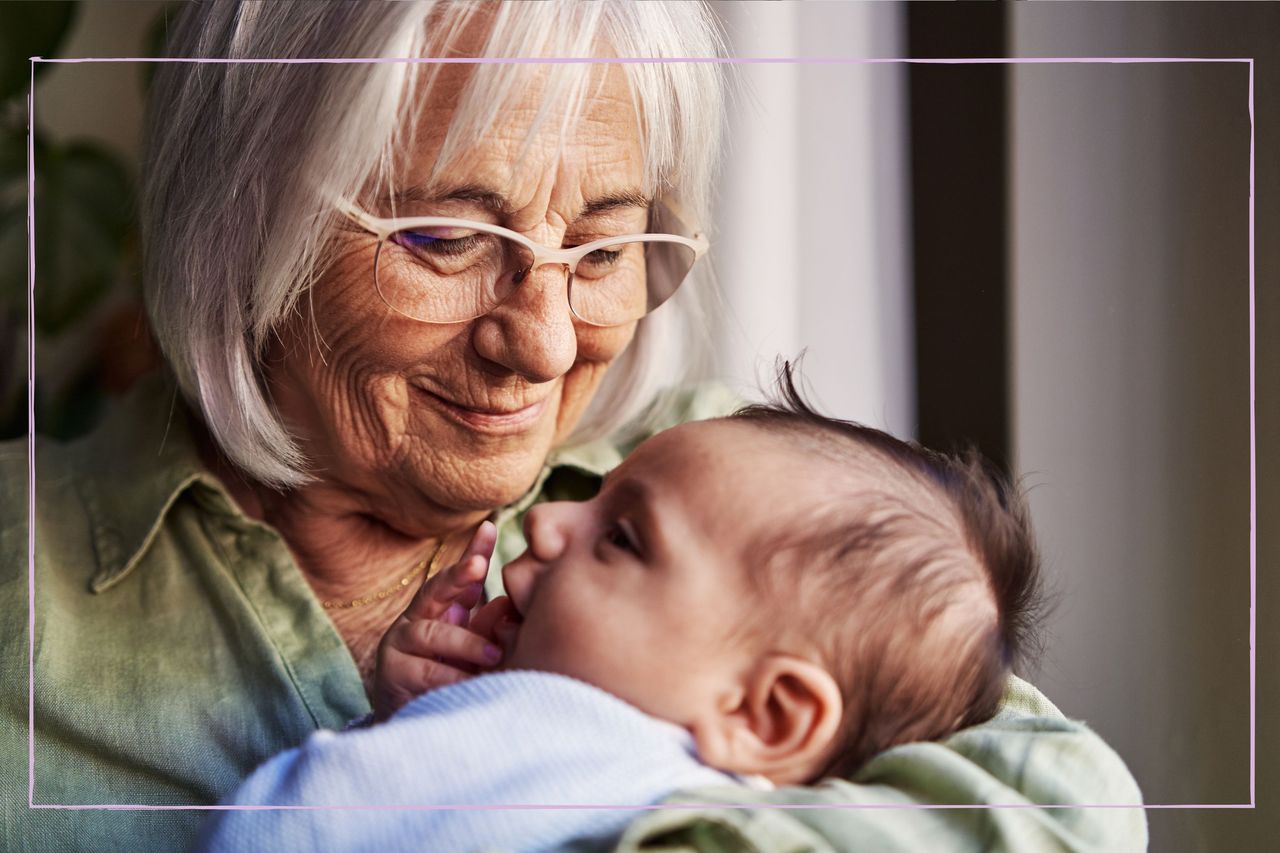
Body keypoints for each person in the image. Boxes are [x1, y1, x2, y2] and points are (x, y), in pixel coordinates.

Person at [0, 2, 1145, 851]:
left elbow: (1065, 810)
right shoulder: (23, 582)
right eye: (445, 237)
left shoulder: (736, 490)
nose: (543, 345)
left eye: (601, 249)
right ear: (241, 221)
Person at [197, 372, 1047, 852]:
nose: (551, 519)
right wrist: (428, 719)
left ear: (766, 712)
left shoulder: (580, 746)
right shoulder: (646, 777)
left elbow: (287, 827)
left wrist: (414, 737)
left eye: (625, 537)